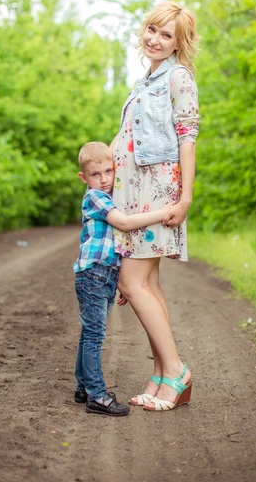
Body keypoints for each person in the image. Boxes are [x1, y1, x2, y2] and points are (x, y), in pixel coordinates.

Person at [111, 0, 200, 412]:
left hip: (158, 192)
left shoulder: (177, 78)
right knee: (148, 284)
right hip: (133, 192)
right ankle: (164, 374)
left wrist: (185, 198)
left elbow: (187, 135)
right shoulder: (143, 81)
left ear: (179, 44)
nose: (156, 39)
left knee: (132, 283)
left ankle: (177, 370)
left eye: (167, 35)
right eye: (152, 29)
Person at [73, 141, 173, 416]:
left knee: (88, 332)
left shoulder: (104, 194)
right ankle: (96, 395)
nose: (104, 179)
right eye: (96, 174)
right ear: (84, 178)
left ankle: (82, 387)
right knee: (94, 335)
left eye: (109, 171)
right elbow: (126, 224)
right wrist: (164, 213)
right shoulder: (96, 198)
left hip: (101, 274)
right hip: (94, 273)